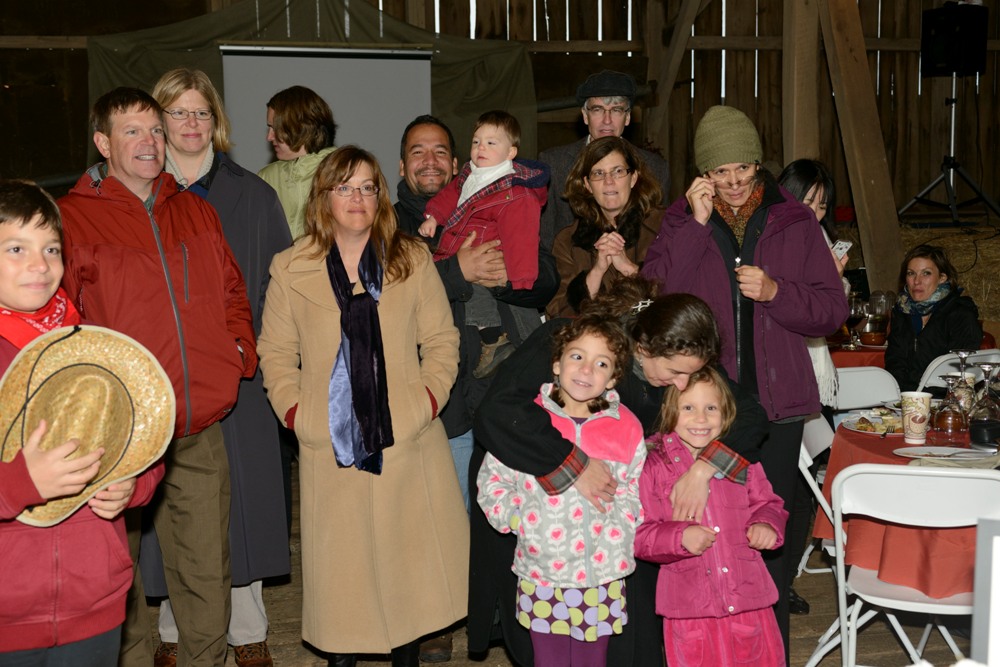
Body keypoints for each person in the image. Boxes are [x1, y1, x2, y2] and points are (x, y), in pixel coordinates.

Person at [470, 275, 769, 667]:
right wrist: (573, 465)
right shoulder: (579, 343)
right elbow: (500, 412)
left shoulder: (680, 356)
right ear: (643, 348)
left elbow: (751, 415)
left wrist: (703, 468)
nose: (683, 384)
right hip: (533, 504)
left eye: (690, 374)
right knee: (543, 644)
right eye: (675, 372)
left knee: (615, 637)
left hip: (608, 528)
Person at [58, 87, 258, 667]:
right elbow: (60, 317)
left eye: (153, 130)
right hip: (115, 434)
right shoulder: (73, 218)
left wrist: (237, 351)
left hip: (197, 421)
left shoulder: (193, 208)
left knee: (205, 567)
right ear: (103, 142)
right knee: (116, 571)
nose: (148, 143)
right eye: (131, 132)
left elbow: (231, 290)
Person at [641, 105, 848, 658]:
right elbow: (656, 297)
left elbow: (831, 311)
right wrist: (694, 223)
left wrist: (777, 292)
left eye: (743, 168)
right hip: (701, 407)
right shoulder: (681, 221)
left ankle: (766, 649)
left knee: (763, 533)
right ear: (702, 175)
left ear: (759, 164)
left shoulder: (795, 221)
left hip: (776, 408)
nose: (733, 182)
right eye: (720, 172)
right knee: (700, 531)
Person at [256, 146, 467, 667]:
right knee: (341, 579)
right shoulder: (290, 266)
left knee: (407, 574)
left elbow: (442, 341)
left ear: (380, 197)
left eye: (368, 187)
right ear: (323, 197)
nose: (357, 198)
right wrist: (298, 416)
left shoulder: (411, 259)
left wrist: (423, 404)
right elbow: (276, 355)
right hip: (329, 442)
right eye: (344, 187)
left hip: (406, 441)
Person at [395, 115, 559, 662]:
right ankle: (440, 615)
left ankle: (505, 613)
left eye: (440, 150)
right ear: (402, 165)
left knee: (508, 499)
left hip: (505, 370)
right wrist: (458, 272)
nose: (430, 160)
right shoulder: (388, 222)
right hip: (437, 385)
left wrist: (515, 273)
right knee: (440, 505)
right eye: (418, 151)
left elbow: (546, 277)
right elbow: (385, 295)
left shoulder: (503, 191)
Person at [147, 67, 293, 667]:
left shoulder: (253, 195)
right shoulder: (137, 195)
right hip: (163, 383)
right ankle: (174, 631)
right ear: (156, 122)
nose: (190, 124)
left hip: (241, 378)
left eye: (200, 113)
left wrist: (259, 359)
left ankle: (247, 630)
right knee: (167, 508)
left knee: (244, 502)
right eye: (177, 113)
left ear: (217, 122)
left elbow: (278, 289)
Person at [0, 179, 165, 665]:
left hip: (94, 601)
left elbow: (145, 434)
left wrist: (132, 482)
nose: (40, 264)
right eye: (16, 248)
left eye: (51, 247)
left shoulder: (92, 346)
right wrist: (20, 483)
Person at [477, 313, 646, 667]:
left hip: (601, 575)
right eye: (576, 356)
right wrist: (519, 519)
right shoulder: (530, 420)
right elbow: (492, 480)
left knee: (591, 661)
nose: (586, 370)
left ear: (614, 377)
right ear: (555, 363)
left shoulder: (625, 426)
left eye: (601, 363)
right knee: (548, 660)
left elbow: (635, 487)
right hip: (543, 572)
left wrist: (621, 526)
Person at [636, 367, 787, 667]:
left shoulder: (741, 459)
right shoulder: (652, 466)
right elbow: (640, 535)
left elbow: (768, 502)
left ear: (727, 412)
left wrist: (766, 523)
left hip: (748, 599)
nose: (701, 419)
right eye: (688, 408)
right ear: (669, 411)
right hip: (689, 609)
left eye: (711, 408)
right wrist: (679, 537)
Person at [421, 110, 549, 378]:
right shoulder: (470, 174)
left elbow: (521, 235)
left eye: (492, 143)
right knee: (471, 291)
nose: (481, 148)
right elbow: (449, 196)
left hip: (495, 257)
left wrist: (521, 280)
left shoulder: (515, 192)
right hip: (460, 254)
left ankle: (498, 341)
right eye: (476, 141)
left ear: (511, 152)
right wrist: (433, 216)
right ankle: (496, 342)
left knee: (493, 300)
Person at [777, 158, 847, 616]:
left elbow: (829, 312)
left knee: (803, 487)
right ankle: (771, 579)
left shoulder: (818, 241)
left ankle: (785, 581)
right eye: (808, 201)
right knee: (779, 484)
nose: (816, 213)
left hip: (811, 376)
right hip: (783, 375)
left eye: (823, 205)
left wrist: (836, 283)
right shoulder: (778, 239)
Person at [539, 70, 670, 251]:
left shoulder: (656, 168)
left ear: (628, 117)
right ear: (585, 115)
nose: (607, 120)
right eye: (598, 109)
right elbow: (545, 242)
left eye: (616, 109)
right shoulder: (554, 164)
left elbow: (662, 242)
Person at [547, 136, 663, 318]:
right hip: (593, 341)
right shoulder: (568, 240)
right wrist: (597, 271)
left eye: (617, 171)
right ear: (587, 185)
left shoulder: (664, 226)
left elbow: (678, 295)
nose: (608, 181)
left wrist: (629, 269)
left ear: (633, 178)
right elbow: (558, 313)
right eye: (598, 173)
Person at [885, 244, 983, 392]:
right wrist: (903, 396)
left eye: (926, 273)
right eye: (911, 273)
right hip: (907, 398)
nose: (917, 281)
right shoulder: (902, 311)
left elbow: (962, 370)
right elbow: (895, 361)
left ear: (942, 278)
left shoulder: (960, 314)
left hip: (945, 399)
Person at [258, 85, 337, 240]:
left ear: (300, 127)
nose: (269, 137)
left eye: (276, 128)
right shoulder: (265, 179)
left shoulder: (345, 171)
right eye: (269, 128)